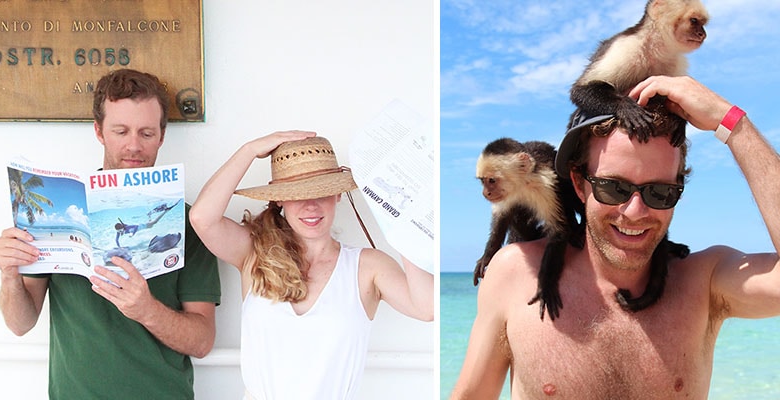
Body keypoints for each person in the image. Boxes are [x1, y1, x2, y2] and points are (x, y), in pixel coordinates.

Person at [451, 75, 780, 399]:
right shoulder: (514, 275)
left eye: (660, 192)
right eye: (613, 187)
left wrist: (732, 123)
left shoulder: (704, 282)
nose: (635, 212)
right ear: (579, 184)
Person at [0, 69, 220, 399]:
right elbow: (20, 324)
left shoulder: (190, 222)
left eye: (146, 133)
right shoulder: (58, 209)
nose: (134, 146)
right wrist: (9, 274)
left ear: (161, 136)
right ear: (99, 131)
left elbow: (202, 342)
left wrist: (147, 310)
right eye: (120, 131)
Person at [189, 132, 434, 399]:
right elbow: (202, 218)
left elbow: (427, 308)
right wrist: (249, 150)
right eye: (297, 194)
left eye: (322, 192)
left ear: (338, 194)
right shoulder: (254, 252)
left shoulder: (367, 266)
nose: (311, 206)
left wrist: (404, 221)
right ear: (279, 198)